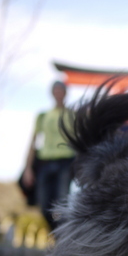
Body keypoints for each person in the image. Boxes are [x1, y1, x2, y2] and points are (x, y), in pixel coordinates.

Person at [22, 81, 75, 230]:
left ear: (65, 93)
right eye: (55, 90)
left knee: (62, 201)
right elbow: (33, 142)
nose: (58, 93)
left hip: (66, 162)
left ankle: (63, 236)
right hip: (45, 162)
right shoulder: (43, 116)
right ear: (52, 93)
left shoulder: (73, 115)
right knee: (43, 203)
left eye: (61, 90)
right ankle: (57, 234)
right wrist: (27, 168)